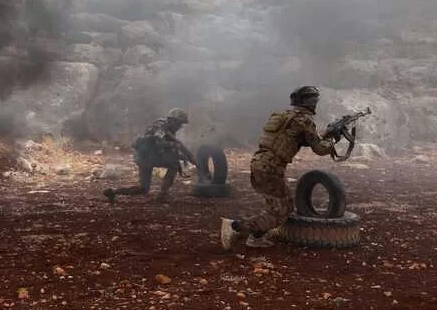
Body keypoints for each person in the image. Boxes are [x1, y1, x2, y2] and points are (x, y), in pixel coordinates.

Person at [220, 86, 336, 249]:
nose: (315, 104)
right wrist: (333, 140)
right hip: (272, 167)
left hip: (260, 161)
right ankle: (236, 227)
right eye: (314, 101)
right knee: (281, 212)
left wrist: (326, 134)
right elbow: (320, 149)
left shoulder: (284, 116)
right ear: (310, 102)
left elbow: (297, 138)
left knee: (277, 206)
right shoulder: (305, 120)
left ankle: (256, 238)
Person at [103, 108, 193, 204]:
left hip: (144, 157)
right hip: (148, 157)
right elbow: (160, 143)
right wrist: (176, 147)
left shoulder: (167, 128)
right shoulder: (161, 126)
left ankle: (114, 192)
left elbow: (176, 146)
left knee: (143, 189)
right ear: (174, 121)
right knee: (174, 164)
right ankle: (163, 195)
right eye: (180, 123)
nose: (180, 127)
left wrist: (188, 156)